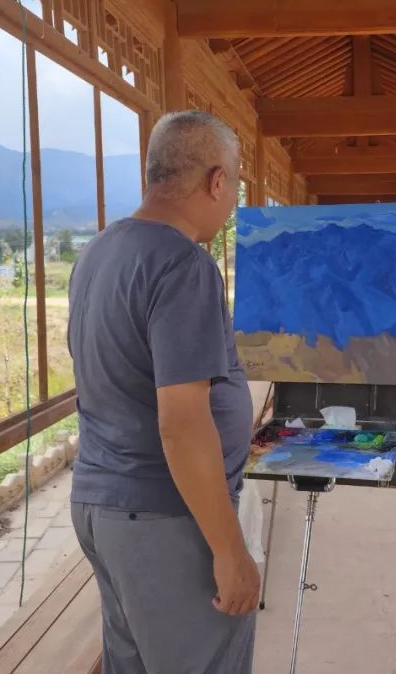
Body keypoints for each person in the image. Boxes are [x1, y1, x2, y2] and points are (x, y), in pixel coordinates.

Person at [68, 110, 258, 674]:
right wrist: (229, 550)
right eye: (235, 185)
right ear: (217, 180)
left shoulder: (98, 252)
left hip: (104, 504)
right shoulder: (183, 264)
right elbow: (182, 422)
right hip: (165, 518)